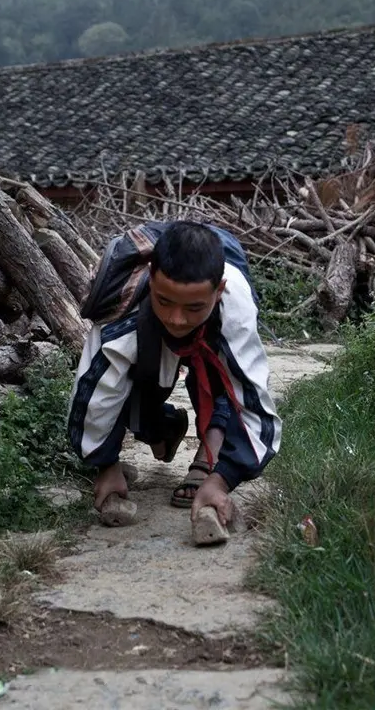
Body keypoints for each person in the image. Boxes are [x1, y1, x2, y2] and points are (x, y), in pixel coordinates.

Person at [66, 220, 281, 527]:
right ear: (151, 280)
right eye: (165, 302)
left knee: (218, 374)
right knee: (144, 380)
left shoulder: (235, 307)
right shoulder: (123, 307)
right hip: (145, 323)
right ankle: (164, 429)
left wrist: (224, 479)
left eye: (193, 308)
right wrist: (105, 464)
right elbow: (96, 391)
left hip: (217, 312)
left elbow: (253, 401)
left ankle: (210, 455)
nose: (177, 319)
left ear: (218, 291)